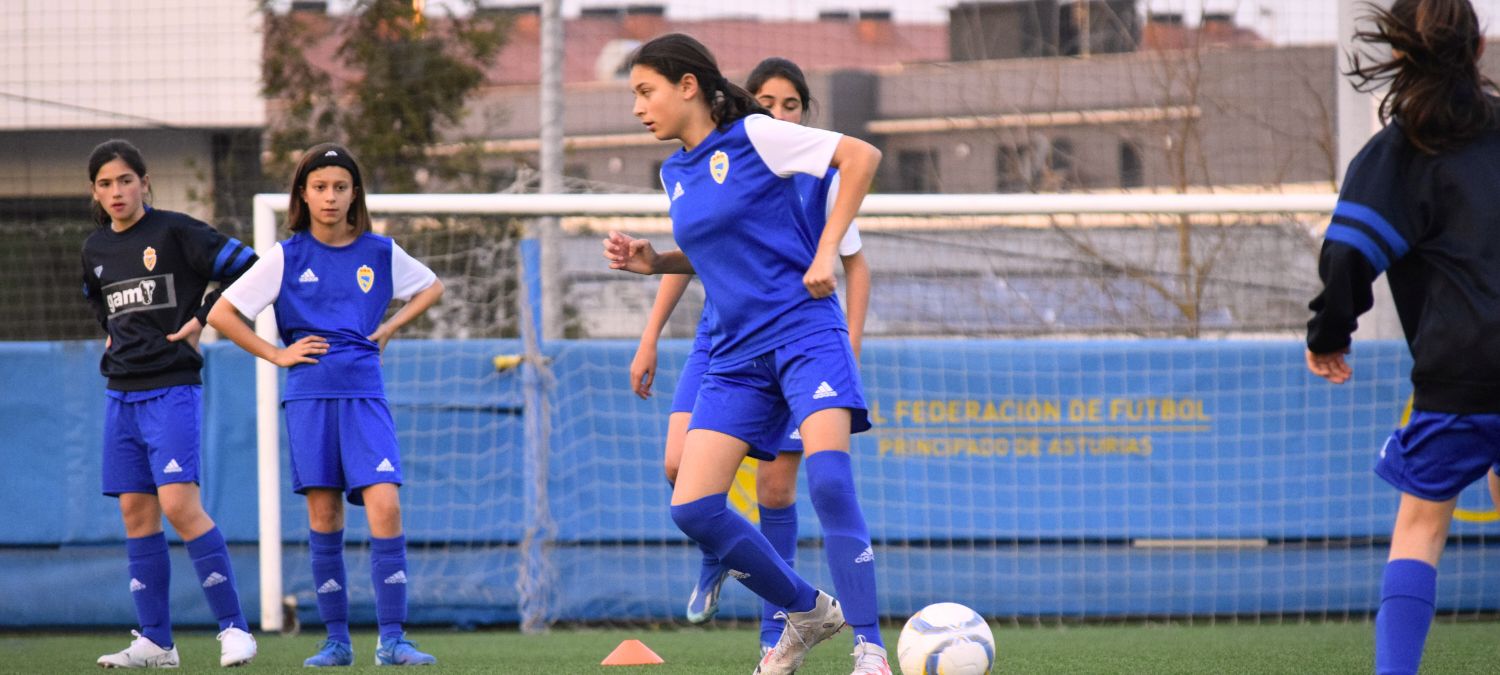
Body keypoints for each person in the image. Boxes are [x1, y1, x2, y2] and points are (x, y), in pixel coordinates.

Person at [605, 34, 886, 675]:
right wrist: (654, 263)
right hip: (735, 352)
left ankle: (870, 649)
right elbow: (713, 252)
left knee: (829, 481)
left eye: (645, 91)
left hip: (804, 333)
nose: (638, 107)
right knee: (694, 505)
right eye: (633, 95)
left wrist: (826, 250)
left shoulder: (760, 134)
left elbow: (863, 156)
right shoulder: (673, 172)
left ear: (688, 86)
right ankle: (808, 611)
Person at [1306, 2, 1500, 673]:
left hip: (1459, 375)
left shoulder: (1399, 151)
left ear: (1399, 55)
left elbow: (1347, 254)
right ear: (1479, 49)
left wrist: (1330, 333)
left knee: (1420, 525)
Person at [207, 143, 445, 667]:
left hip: (365, 395)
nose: (330, 197)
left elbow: (431, 288)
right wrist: (276, 353)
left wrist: (387, 329)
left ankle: (392, 640)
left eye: (340, 186)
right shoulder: (287, 256)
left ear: (355, 192)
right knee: (324, 512)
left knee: (385, 504)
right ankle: (336, 640)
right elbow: (222, 313)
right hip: (310, 396)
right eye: (319, 187)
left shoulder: (380, 252)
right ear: (303, 194)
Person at [81, 139, 258, 668]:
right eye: (105, 184)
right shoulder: (93, 250)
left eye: (125, 180)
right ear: (94, 191)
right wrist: (113, 336)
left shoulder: (176, 230)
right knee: (137, 514)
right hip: (121, 395)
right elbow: (101, 306)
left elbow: (247, 264)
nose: (116, 191)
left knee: (180, 506)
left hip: (172, 388)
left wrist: (203, 314)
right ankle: (157, 642)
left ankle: (234, 629)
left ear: (144, 181)